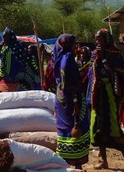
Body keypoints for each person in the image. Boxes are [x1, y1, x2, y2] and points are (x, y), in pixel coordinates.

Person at [87, 28, 124, 169]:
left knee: (114, 127)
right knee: (97, 127)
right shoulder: (94, 54)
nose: (97, 41)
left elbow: (120, 72)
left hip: (110, 96)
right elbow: (91, 76)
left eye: (99, 39)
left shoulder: (114, 54)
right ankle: (104, 161)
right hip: (97, 96)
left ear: (106, 39)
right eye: (96, 39)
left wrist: (104, 60)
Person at [52, 34, 90, 169]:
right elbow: (71, 83)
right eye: (74, 43)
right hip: (71, 100)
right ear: (68, 44)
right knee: (77, 127)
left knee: (64, 129)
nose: (76, 46)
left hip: (61, 99)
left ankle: (65, 164)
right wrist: (75, 103)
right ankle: (77, 164)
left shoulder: (58, 57)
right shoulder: (68, 58)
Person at [0, 27, 40, 91]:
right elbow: (1, 62)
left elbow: (27, 59)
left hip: (22, 78)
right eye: (3, 37)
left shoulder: (19, 46)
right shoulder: (4, 49)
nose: (3, 39)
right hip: (8, 79)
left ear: (10, 37)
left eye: (5, 37)